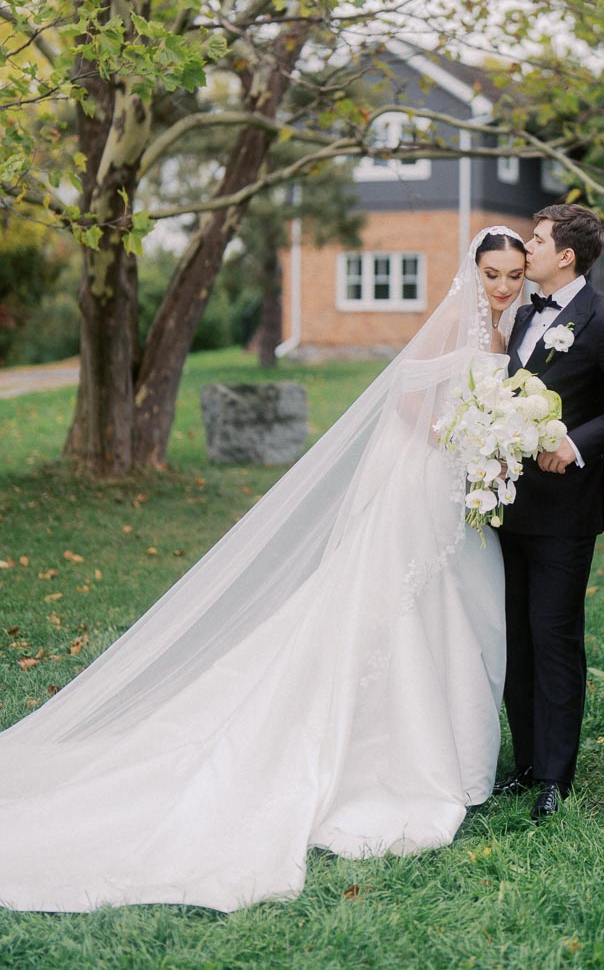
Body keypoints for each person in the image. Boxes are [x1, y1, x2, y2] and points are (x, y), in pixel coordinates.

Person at [0, 226, 527, 914]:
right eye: (494, 273)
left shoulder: (508, 334)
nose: (503, 286)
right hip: (423, 483)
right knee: (399, 609)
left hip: (462, 491)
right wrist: (461, 438)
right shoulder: (450, 327)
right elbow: (407, 395)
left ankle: (456, 755)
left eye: (514, 275)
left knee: (459, 609)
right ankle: (390, 759)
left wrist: (490, 450)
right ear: (474, 271)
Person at [493, 205, 604, 822]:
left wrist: (578, 442)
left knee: (554, 635)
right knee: (514, 636)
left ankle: (555, 777)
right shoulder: (517, 315)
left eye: (536, 240)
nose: (527, 246)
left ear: (565, 255)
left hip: (564, 510)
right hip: (505, 502)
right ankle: (524, 763)